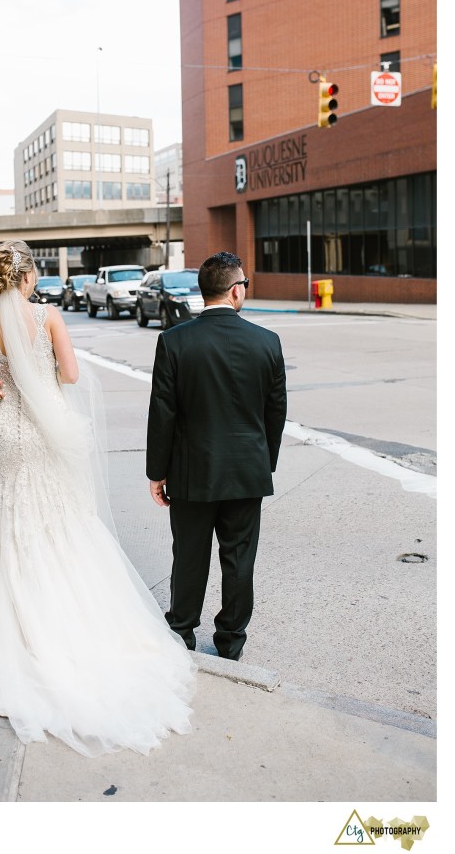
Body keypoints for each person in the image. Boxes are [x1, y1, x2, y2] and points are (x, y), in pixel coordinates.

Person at [0, 240, 195, 757]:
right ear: (27, 276)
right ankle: (63, 622)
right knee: (56, 517)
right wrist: (38, 372)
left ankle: (6, 628)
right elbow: (70, 375)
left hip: (3, 428)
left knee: (3, 511)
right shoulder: (48, 317)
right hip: (45, 429)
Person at [146, 251, 287, 662]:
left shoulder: (173, 341)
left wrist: (157, 471)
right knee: (239, 558)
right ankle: (230, 640)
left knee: (188, 555)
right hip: (247, 470)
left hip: (191, 472)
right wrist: (265, 462)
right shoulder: (267, 341)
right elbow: (275, 412)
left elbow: (162, 413)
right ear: (236, 290)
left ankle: (182, 633)